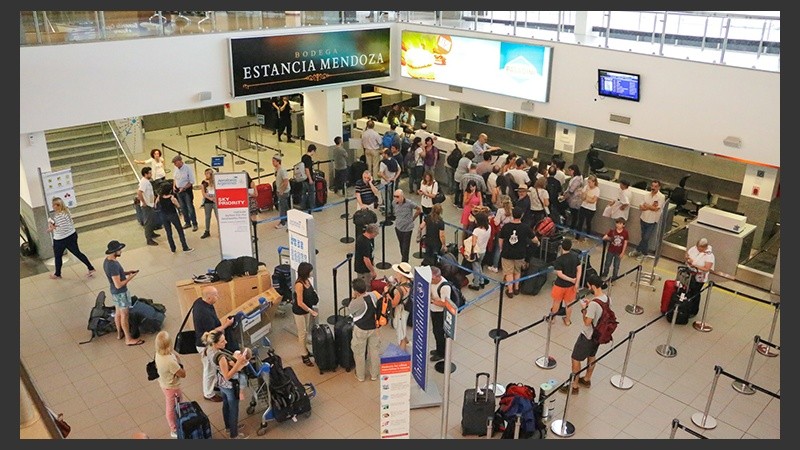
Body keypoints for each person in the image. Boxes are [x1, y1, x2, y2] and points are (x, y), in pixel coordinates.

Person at [561, 273, 608, 396]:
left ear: (592, 286)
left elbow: (587, 322)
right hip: (599, 335)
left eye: (588, 286)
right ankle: (587, 379)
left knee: (576, 358)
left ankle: (574, 386)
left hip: (587, 336)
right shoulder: (607, 299)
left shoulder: (593, 304)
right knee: (592, 356)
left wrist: (584, 309)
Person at [201, 329, 249, 439]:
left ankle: (229, 427)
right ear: (215, 343)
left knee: (226, 405)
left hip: (220, 383)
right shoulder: (221, 357)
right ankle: (234, 434)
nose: (226, 342)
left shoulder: (208, 350)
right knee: (233, 409)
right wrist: (238, 363)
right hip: (229, 385)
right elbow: (227, 376)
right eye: (222, 341)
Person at [192, 285, 235, 402]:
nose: (218, 297)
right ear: (209, 297)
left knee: (211, 368)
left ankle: (213, 385)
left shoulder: (199, 302)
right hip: (205, 346)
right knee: (209, 370)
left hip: (204, 342)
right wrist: (226, 325)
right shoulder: (204, 314)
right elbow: (213, 333)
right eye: (216, 295)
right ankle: (208, 393)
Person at [102, 240, 144, 346]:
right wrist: (130, 277)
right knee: (124, 315)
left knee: (118, 313)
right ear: (114, 251)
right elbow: (118, 284)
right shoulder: (113, 265)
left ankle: (119, 334)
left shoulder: (107, 261)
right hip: (120, 293)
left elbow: (115, 275)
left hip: (114, 292)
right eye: (119, 249)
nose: (121, 251)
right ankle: (128, 339)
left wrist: (126, 272)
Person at [47, 196, 96, 279]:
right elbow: (68, 224)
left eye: (53, 205)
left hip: (61, 239)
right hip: (72, 235)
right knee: (77, 253)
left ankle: (57, 274)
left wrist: (52, 228)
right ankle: (90, 267)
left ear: (57, 206)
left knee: (58, 256)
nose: (52, 207)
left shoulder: (59, 216)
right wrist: (54, 225)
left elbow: (62, 228)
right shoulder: (66, 212)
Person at [498, 207, 539, 298]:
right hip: (520, 253)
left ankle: (510, 290)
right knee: (517, 271)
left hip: (507, 253)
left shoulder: (506, 226)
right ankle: (516, 288)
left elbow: (501, 239)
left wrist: (501, 248)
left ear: (512, 215)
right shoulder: (525, 227)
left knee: (508, 272)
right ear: (522, 216)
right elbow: (535, 240)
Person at [154, 330, 186, 439]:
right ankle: (174, 429)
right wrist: (179, 361)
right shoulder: (169, 362)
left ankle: (179, 419)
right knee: (171, 408)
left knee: (176, 405)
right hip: (172, 387)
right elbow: (183, 374)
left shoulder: (158, 354)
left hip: (164, 383)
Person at [349, 278, 382, 381]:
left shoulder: (356, 303)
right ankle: (374, 375)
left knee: (359, 352)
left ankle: (360, 376)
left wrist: (354, 298)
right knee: (374, 351)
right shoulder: (373, 295)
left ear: (355, 291)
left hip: (361, 329)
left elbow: (351, 313)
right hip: (374, 328)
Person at [291, 261, 319, 367]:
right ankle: (304, 355)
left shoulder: (307, 281)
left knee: (305, 331)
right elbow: (299, 302)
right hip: (300, 311)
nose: (312, 272)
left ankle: (305, 349)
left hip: (307, 310)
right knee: (302, 333)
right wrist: (310, 310)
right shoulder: (299, 284)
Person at [630, 179, 666, 258]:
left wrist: (648, 206)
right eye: (652, 186)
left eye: (655, 186)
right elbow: (641, 207)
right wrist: (650, 207)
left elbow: (656, 209)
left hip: (652, 221)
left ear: (659, 187)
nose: (653, 188)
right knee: (643, 237)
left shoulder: (661, 197)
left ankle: (643, 253)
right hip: (643, 218)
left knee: (646, 238)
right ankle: (639, 250)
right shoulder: (646, 195)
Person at [551, 238, 582, 326]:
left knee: (556, 302)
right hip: (571, 286)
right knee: (569, 303)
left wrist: (570, 279)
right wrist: (576, 282)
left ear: (561, 247)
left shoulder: (559, 260)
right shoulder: (575, 257)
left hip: (560, 285)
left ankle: (553, 319)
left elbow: (559, 274)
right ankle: (567, 320)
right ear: (570, 247)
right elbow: (579, 269)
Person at [156, 184, 193, 253]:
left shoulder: (159, 197)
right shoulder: (172, 198)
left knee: (169, 232)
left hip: (164, 215)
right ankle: (185, 247)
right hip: (172, 215)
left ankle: (173, 248)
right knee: (180, 231)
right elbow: (178, 206)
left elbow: (156, 205)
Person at [684, 238, 715, 317]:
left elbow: (706, 268)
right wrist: (688, 260)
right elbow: (687, 255)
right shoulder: (694, 249)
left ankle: (693, 310)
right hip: (690, 272)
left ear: (705, 247)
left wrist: (694, 264)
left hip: (699, 277)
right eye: (698, 247)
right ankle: (685, 306)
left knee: (695, 292)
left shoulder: (709, 256)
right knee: (687, 290)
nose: (698, 249)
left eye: (700, 248)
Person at [388, 262, 413, 351]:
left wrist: (387, 294)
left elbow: (394, 304)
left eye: (397, 272)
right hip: (406, 309)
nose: (396, 274)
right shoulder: (409, 283)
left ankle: (402, 352)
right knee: (402, 328)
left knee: (400, 332)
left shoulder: (400, 289)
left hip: (400, 311)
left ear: (402, 274)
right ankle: (406, 341)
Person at [428, 266, 450, 362]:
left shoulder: (444, 287)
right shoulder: (433, 282)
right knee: (435, 331)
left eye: (432, 279)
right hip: (433, 310)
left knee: (439, 332)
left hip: (440, 313)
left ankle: (441, 353)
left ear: (438, 277)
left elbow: (445, 303)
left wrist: (432, 301)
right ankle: (438, 349)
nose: (431, 280)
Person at [392, 189, 421, 263]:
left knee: (405, 247)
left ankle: (404, 262)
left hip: (407, 229)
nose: (396, 198)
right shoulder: (394, 203)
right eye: (394, 196)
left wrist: (413, 218)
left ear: (402, 196)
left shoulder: (409, 203)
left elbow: (418, 209)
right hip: (398, 227)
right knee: (401, 245)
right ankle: (404, 259)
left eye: (397, 196)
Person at [171, 155, 198, 232]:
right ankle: (187, 222)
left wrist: (184, 188)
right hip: (178, 191)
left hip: (187, 191)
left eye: (176, 163)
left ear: (180, 161)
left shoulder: (187, 168)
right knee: (183, 207)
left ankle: (194, 223)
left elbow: (192, 181)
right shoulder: (176, 168)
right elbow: (175, 178)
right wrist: (174, 186)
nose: (175, 165)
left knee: (190, 207)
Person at [488, 195, 513, 273]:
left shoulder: (500, 210)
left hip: (501, 231)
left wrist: (492, 218)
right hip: (510, 231)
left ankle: (495, 266)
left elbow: (496, 222)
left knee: (498, 249)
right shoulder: (512, 210)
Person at [468, 212, 492, 290]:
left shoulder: (476, 231)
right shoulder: (489, 227)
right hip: (483, 250)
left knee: (475, 267)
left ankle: (476, 284)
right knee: (479, 265)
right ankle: (481, 280)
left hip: (476, 251)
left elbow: (474, 243)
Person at [601, 217, 629, 282]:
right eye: (617, 223)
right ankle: (605, 274)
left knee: (616, 265)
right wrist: (609, 238)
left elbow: (625, 242)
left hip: (619, 252)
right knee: (607, 263)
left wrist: (623, 252)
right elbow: (604, 237)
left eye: (620, 223)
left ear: (623, 225)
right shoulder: (612, 231)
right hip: (611, 250)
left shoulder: (625, 232)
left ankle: (614, 277)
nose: (618, 225)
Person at [137, 166, 159, 246]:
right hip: (147, 205)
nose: (151, 174)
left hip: (150, 203)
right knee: (148, 222)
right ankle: (149, 239)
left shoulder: (147, 181)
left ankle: (151, 233)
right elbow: (139, 192)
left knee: (152, 220)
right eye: (150, 173)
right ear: (146, 174)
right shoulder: (144, 182)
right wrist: (143, 202)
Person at [576, 174, 600, 239]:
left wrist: (587, 198)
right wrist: (586, 195)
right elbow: (582, 198)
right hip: (583, 206)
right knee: (580, 221)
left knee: (588, 222)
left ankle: (587, 236)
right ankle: (577, 236)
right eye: (588, 182)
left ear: (594, 182)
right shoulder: (586, 187)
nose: (589, 184)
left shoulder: (597, 190)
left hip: (591, 209)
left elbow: (593, 200)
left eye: (590, 182)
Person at [563, 164, 585, 232]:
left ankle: (572, 228)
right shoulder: (574, 177)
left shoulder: (577, 179)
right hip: (572, 199)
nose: (569, 172)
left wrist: (564, 197)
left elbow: (571, 190)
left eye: (570, 170)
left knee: (574, 215)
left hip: (575, 199)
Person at [272, 155, 290, 229]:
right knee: (285, 206)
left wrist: (282, 191)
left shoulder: (282, 170)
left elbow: (286, 181)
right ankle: (288, 218)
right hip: (279, 190)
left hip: (284, 191)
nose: (272, 163)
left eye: (273, 161)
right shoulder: (276, 169)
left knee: (282, 207)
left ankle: (283, 222)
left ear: (278, 162)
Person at [199, 168, 217, 239]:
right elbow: (203, 193)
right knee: (207, 216)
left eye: (208, 173)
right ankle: (207, 231)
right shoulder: (204, 183)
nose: (206, 175)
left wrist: (215, 198)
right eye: (205, 173)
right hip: (208, 201)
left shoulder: (215, 181)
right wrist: (210, 198)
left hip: (215, 200)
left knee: (217, 216)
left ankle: (220, 231)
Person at [301, 144, 317, 210]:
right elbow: (307, 169)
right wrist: (310, 179)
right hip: (308, 179)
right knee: (311, 193)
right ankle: (312, 207)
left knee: (304, 193)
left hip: (303, 178)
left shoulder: (303, 156)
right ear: (312, 150)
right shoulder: (308, 158)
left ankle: (303, 206)